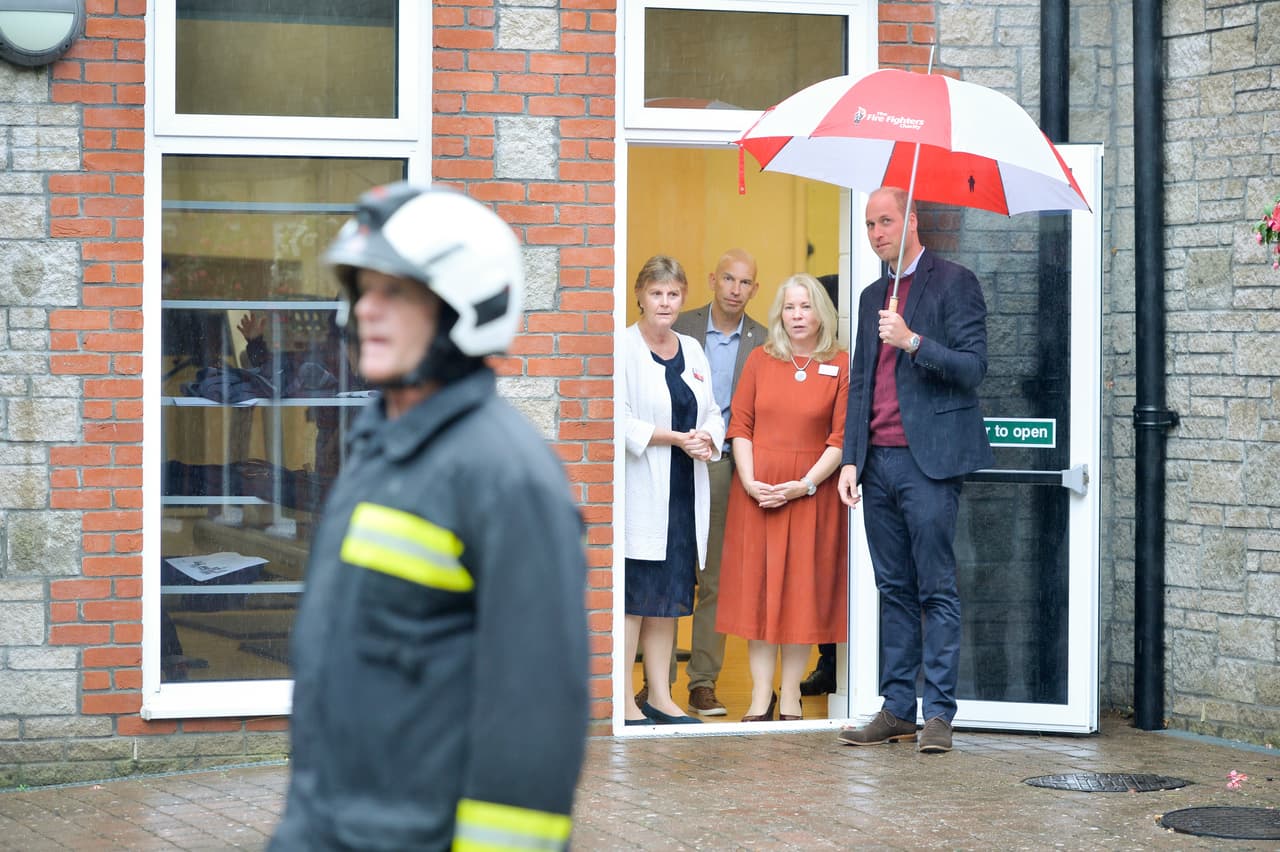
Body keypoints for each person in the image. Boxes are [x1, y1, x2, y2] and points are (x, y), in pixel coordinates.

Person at [270, 183, 590, 850]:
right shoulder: (375, 446)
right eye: (361, 289)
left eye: (396, 291)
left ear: (461, 305)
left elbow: (533, 717)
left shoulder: (506, 474)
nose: (366, 309)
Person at [836, 186, 993, 754]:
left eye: (885, 221)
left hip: (930, 463)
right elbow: (859, 384)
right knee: (893, 588)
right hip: (876, 462)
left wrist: (912, 341)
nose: (877, 232)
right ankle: (898, 708)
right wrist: (851, 457)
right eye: (870, 224)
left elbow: (974, 368)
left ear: (912, 220)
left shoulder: (954, 282)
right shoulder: (871, 295)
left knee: (936, 588)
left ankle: (940, 715)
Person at [717, 274, 848, 722]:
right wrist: (752, 482)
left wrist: (806, 484)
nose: (797, 316)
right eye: (790, 307)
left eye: (806, 307)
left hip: (811, 494)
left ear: (821, 314)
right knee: (759, 593)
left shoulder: (840, 364)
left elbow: (841, 437)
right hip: (757, 492)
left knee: (799, 595)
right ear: (780, 313)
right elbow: (740, 426)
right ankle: (759, 696)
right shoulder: (760, 359)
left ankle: (790, 694)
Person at [661, 248, 765, 717]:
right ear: (711, 279)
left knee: (714, 578)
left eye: (745, 283)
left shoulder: (764, 340)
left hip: (724, 465)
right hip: (670, 459)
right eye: (728, 279)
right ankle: (656, 685)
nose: (735, 289)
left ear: (754, 289)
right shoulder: (678, 326)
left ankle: (702, 682)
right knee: (664, 568)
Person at [623, 255, 725, 726]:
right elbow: (619, 420)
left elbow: (712, 411)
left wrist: (706, 437)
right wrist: (673, 437)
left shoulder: (692, 348)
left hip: (684, 488)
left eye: (673, 294)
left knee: (668, 598)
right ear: (640, 296)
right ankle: (624, 698)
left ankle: (660, 697)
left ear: (683, 297)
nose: (665, 302)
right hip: (644, 490)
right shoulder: (623, 348)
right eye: (656, 293)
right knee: (636, 599)